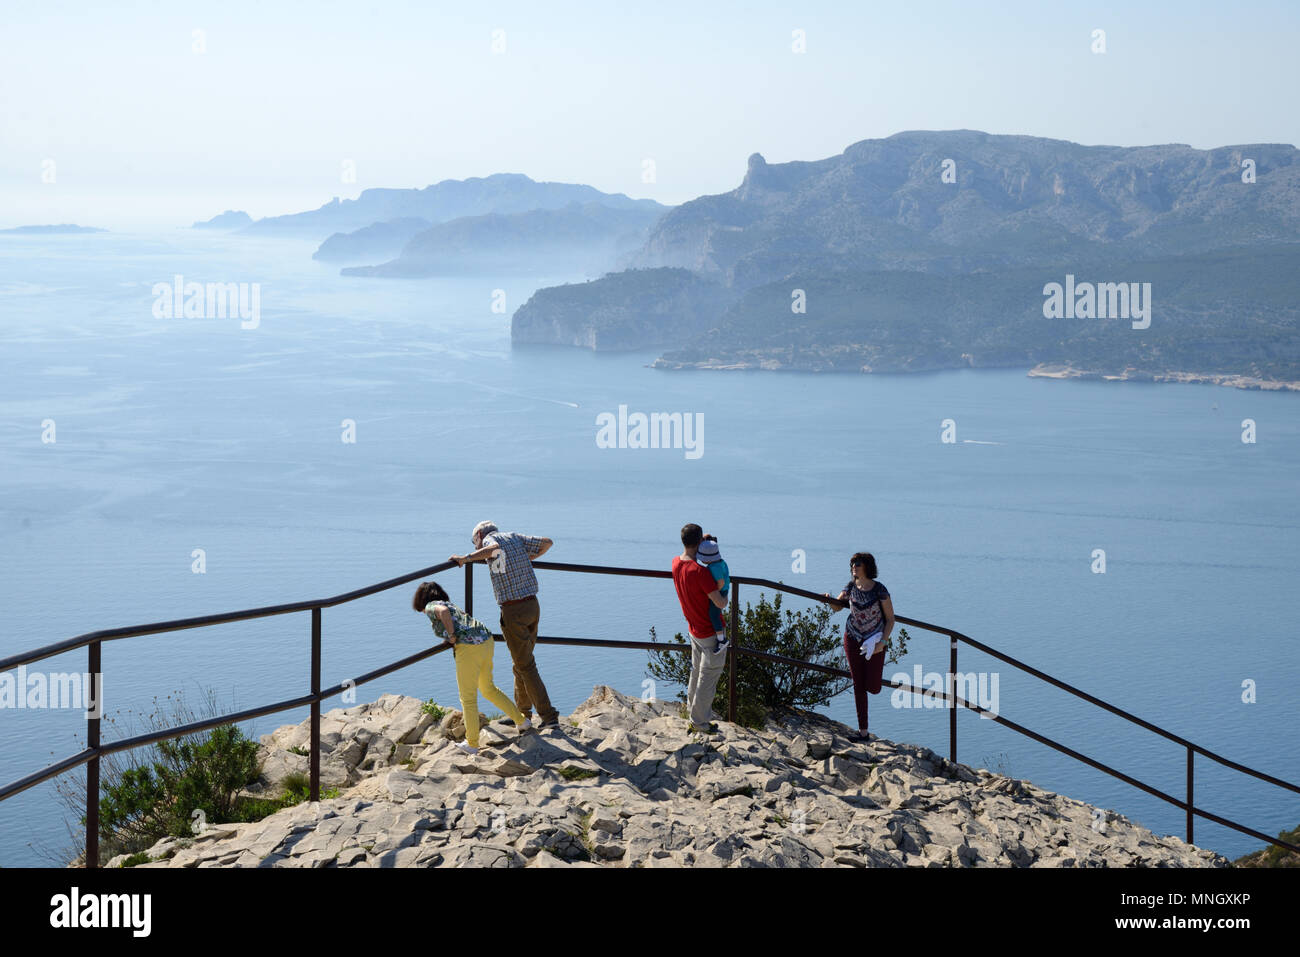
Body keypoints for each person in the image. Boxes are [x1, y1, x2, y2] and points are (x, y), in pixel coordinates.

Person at [450, 521, 560, 728]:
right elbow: (547, 542)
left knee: (526, 665)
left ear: (480, 535)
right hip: (532, 605)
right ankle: (523, 714)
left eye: (475, 542)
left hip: (513, 611)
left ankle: (549, 716)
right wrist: (527, 559)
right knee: (521, 663)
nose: (476, 547)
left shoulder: (491, 541)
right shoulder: (514, 537)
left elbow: (493, 548)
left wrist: (466, 559)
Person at [412, 580, 531, 755]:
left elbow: (442, 613)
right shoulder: (449, 604)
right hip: (485, 640)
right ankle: (522, 722)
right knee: (488, 688)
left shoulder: (431, 606)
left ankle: (472, 744)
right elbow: (450, 614)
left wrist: (451, 636)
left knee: (467, 698)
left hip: (468, 648)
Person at [825, 552, 894, 742]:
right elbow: (838, 606)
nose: (854, 566)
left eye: (858, 563)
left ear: (867, 567)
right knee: (858, 684)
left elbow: (890, 620)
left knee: (873, 686)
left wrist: (883, 643)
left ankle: (863, 729)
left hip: (874, 641)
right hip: (853, 637)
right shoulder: (850, 587)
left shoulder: (879, 590)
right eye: (852, 563)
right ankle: (863, 732)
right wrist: (830, 600)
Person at [671, 523, 729, 734]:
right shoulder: (701, 573)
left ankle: (691, 713)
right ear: (699, 543)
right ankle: (699, 722)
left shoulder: (676, 563)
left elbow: (692, 554)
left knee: (696, 672)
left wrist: (701, 543)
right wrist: (726, 592)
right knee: (709, 675)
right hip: (710, 631)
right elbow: (720, 603)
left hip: (693, 628)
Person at [695, 534, 730, 653]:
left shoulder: (714, 567)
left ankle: (721, 639)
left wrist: (714, 594)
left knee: (713, 615)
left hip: (721, 591)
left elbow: (720, 582)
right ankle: (721, 637)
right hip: (724, 590)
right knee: (714, 613)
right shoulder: (720, 562)